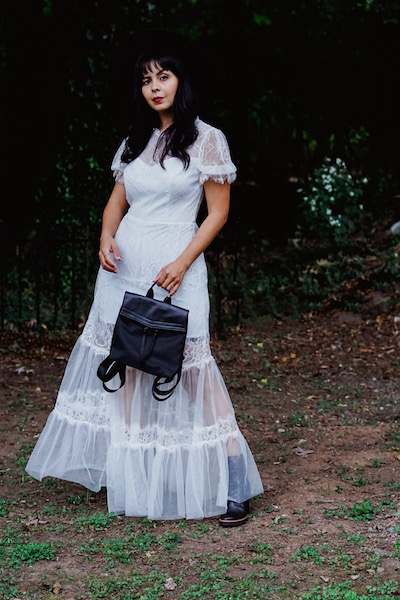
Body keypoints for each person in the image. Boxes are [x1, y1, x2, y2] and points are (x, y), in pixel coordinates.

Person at [26, 33, 263, 527]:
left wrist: (181, 262)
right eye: (146, 80)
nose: (154, 88)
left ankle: (233, 480)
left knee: (192, 367)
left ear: (181, 80)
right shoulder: (135, 140)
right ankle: (138, 474)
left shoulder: (207, 138)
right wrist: (105, 237)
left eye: (164, 76)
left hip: (177, 267)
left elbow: (216, 214)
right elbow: (117, 200)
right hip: (123, 269)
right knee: (129, 366)